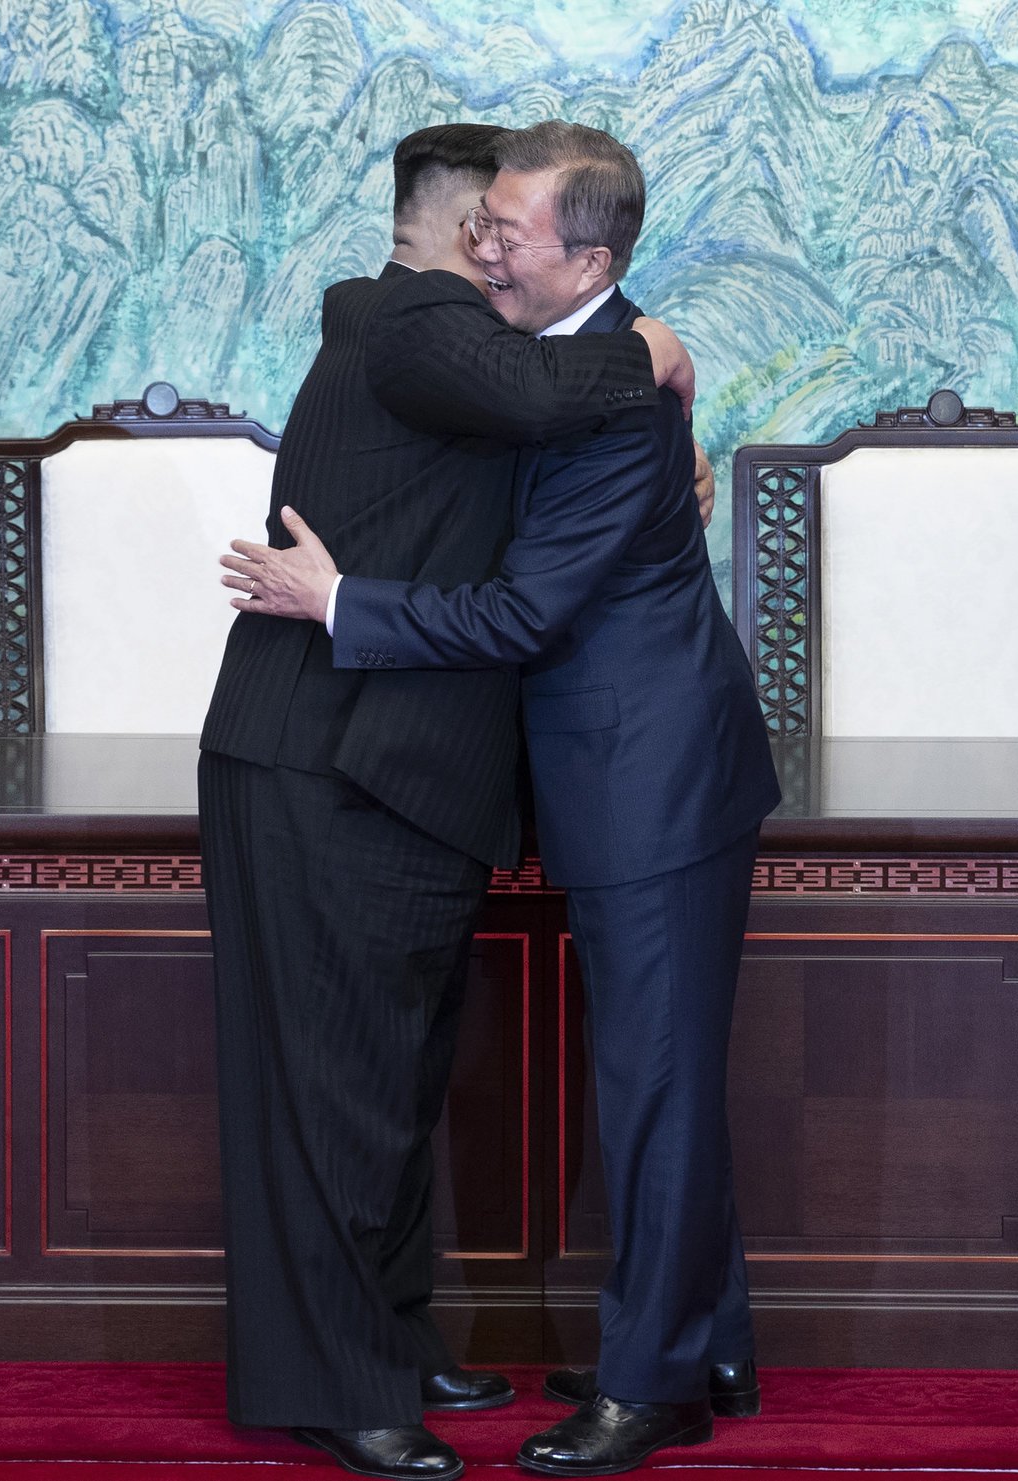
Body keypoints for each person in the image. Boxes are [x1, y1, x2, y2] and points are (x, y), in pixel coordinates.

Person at [224, 122, 779, 1477]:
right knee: (660, 1082)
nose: (486, 247)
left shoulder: (606, 385)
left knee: (655, 1086)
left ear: (589, 254)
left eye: (509, 230)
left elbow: (528, 602)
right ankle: (697, 1339)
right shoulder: (535, 359)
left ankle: (654, 1378)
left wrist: (336, 598)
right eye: (478, 224)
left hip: (652, 777)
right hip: (587, 773)